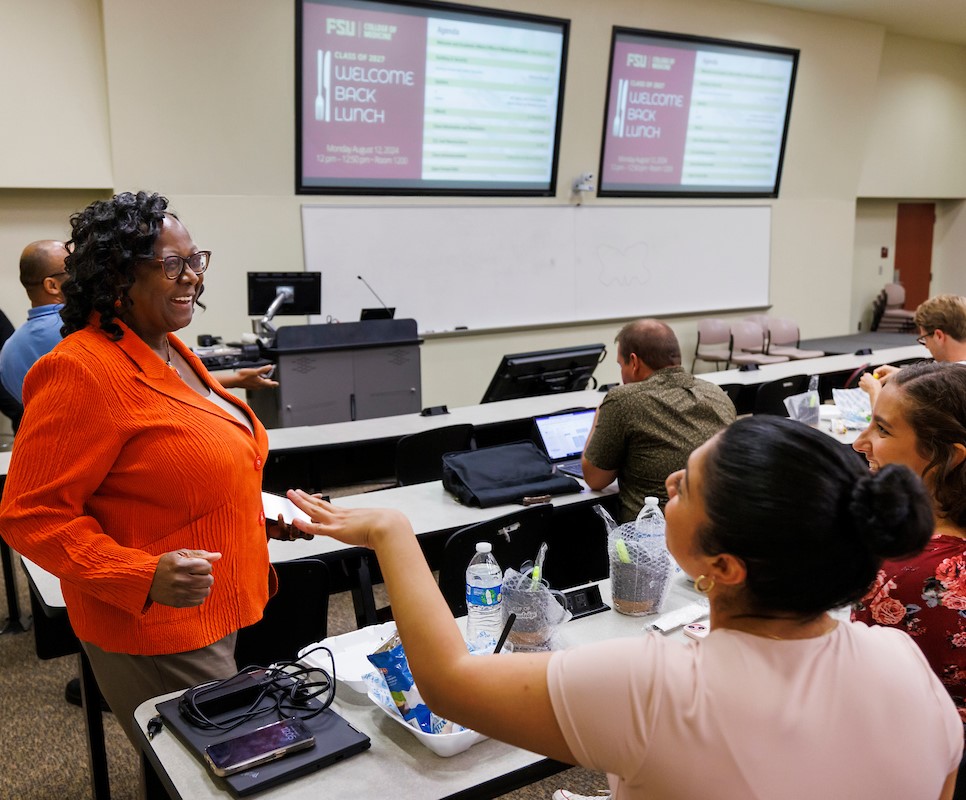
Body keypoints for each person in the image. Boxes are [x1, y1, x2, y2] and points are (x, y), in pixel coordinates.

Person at [285, 416, 960, 800]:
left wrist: (391, 532)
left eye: (686, 485)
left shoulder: (658, 684)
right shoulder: (898, 657)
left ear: (721, 568)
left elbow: (448, 685)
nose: (668, 485)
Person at [0, 192, 296, 747]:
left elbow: (175, 462)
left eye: (196, 261)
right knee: (220, 769)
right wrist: (140, 575)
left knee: (231, 765)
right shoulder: (79, 371)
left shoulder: (168, 347)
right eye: (171, 265)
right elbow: (28, 515)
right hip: (156, 628)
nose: (192, 278)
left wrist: (255, 509)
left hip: (216, 603)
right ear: (116, 277)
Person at [0, 239, 278, 407]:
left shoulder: (9, 351)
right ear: (51, 284)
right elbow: (156, 386)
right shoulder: (86, 333)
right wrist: (236, 378)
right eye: (73, 269)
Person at [852, 362, 966, 721]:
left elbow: (858, 694)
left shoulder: (909, 578)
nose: (859, 443)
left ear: (946, 455)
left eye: (882, 429)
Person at [580, 319, 735, 522]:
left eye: (621, 365)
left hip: (653, 541)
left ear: (634, 362)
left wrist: (601, 411)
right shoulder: (716, 394)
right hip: (718, 526)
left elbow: (594, 479)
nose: (621, 374)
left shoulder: (623, 400)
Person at [861, 294, 966, 405]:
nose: (926, 346)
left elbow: (883, 421)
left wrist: (874, 391)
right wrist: (904, 375)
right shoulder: (955, 375)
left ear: (939, 336)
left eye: (924, 339)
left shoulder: (945, 386)